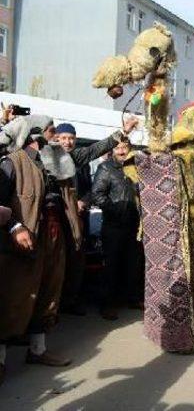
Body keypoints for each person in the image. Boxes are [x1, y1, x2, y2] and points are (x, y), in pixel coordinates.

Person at [0, 116, 72, 385]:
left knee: (47, 292)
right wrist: (15, 227)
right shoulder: (12, 162)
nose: (56, 136)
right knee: (14, 298)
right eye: (52, 131)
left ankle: (37, 351)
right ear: (36, 135)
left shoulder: (54, 161)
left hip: (51, 237)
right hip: (20, 241)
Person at [55, 119, 138, 315]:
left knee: (76, 260)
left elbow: (94, 154)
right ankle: (52, 308)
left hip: (79, 218)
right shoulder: (47, 158)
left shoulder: (78, 160)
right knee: (55, 263)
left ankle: (70, 301)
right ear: (55, 138)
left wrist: (82, 201)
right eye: (63, 138)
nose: (67, 142)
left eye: (71, 138)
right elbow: (99, 192)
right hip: (55, 218)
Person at [91, 138, 143, 320]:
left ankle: (133, 298)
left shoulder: (137, 168)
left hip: (134, 225)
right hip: (113, 225)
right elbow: (97, 194)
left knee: (133, 263)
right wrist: (115, 210)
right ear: (112, 150)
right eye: (118, 148)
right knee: (111, 265)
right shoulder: (106, 168)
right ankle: (108, 304)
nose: (121, 151)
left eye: (124, 148)